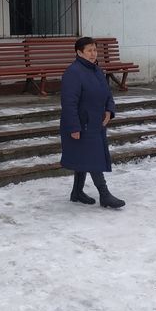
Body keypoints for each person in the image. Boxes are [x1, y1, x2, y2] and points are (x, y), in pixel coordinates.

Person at [60, 36, 125, 208]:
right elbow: (69, 103)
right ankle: (105, 195)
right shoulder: (73, 73)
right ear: (79, 52)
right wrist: (74, 127)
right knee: (92, 157)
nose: (93, 53)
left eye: (95, 50)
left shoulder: (97, 70)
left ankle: (77, 192)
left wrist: (109, 110)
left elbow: (108, 94)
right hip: (82, 124)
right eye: (89, 50)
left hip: (96, 122)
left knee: (84, 156)